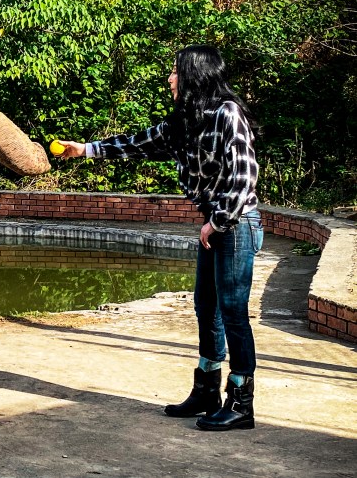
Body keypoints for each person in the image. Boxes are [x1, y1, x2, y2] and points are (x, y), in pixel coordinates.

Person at [57, 44, 263, 431]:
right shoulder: (187, 119)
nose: (170, 78)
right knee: (207, 308)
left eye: (175, 72)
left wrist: (216, 222)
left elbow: (243, 177)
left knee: (233, 312)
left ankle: (241, 402)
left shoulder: (227, 114)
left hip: (235, 224)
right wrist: (84, 149)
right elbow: (139, 143)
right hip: (217, 225)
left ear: (194, 76)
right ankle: (207, 390)